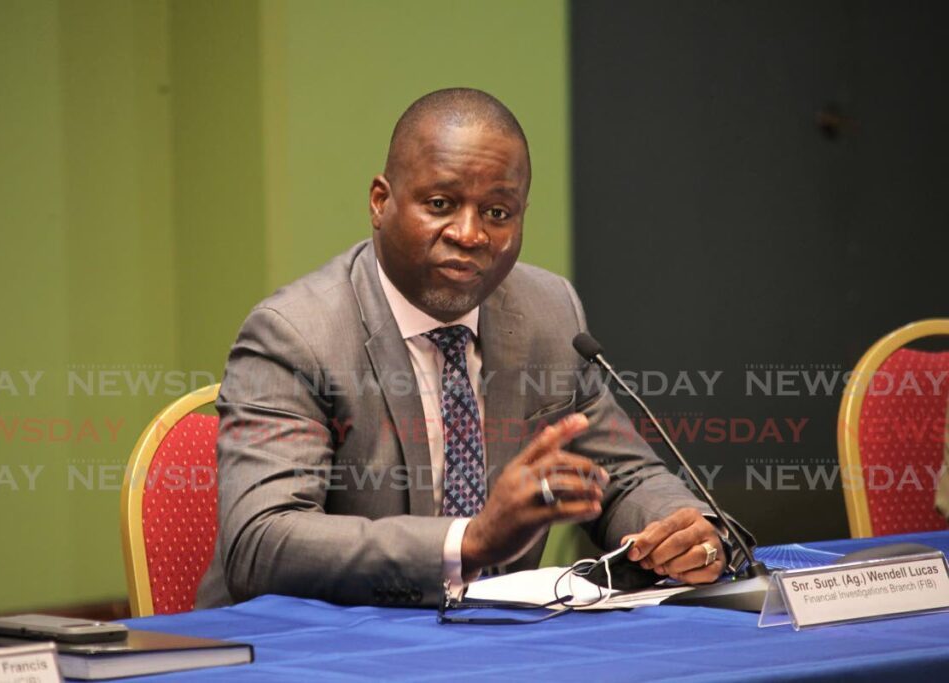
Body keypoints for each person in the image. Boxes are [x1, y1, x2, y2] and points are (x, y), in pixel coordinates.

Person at [196, 88, 749, 609]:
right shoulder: (297, 334)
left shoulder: (549, 312)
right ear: (380, 202)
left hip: (497, 644)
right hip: (314, 650)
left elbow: (623, 476)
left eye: (498, 213)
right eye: (440, 203)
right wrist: (469, 540)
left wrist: (683, 525)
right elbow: (262, 541)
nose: (471, 234)